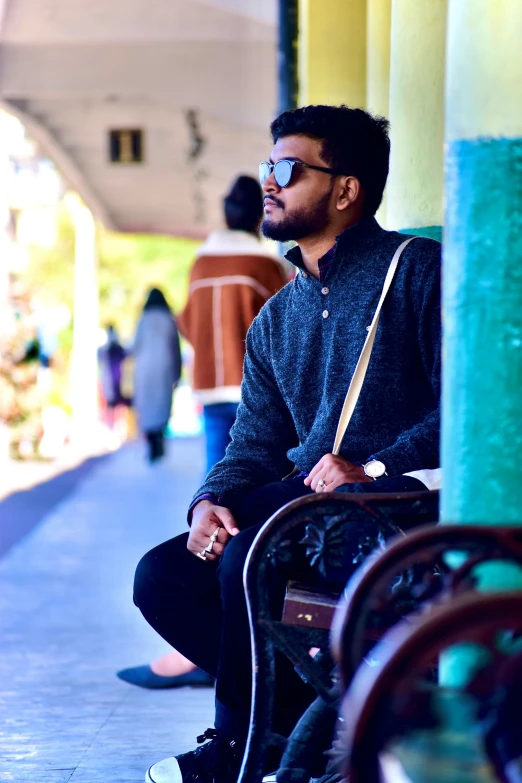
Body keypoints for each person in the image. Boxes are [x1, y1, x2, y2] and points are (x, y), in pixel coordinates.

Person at [134, 105, 442, 783]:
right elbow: (254, 441)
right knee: (164, 578)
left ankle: (241, 749)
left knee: (251, 555)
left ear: (344, 190)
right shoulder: (278, 315)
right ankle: (290, 723)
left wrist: (375, 465)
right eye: (268, 166)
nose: (268, 182)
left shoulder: (417, 272)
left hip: (398, 511)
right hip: (306, 510)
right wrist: (210, 499)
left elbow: (470, 405)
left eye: (287, 168)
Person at [118, 176, 286, 690]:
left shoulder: (200, 263)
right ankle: (225, 647)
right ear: (254, 214)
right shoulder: (264, 264)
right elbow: (287, 322)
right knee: (249, 517)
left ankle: (201, 648)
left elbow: (190, 323)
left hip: (212, 387)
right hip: (261, 392)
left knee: (216, 507)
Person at [133, 288, 181, 463]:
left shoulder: (143, 319)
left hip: (144, 370)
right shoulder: (168, 318)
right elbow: (175, 348)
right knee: (161, 405)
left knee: (147, 406)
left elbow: (134, 346)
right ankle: (159, 444)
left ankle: (152, 446)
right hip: (164, 368)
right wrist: (177, 372)